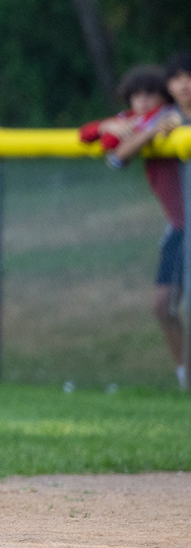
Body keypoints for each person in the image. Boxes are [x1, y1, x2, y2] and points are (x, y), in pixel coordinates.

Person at [80, 63, 188, 391]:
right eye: (135, 96)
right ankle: (185, 375)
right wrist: (107, 124)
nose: (142, 102)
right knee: (162, 305)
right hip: (180, 228)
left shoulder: (171, 116)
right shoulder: (139, 121)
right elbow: (105, 148)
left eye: (149, 95)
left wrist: (151, 130)